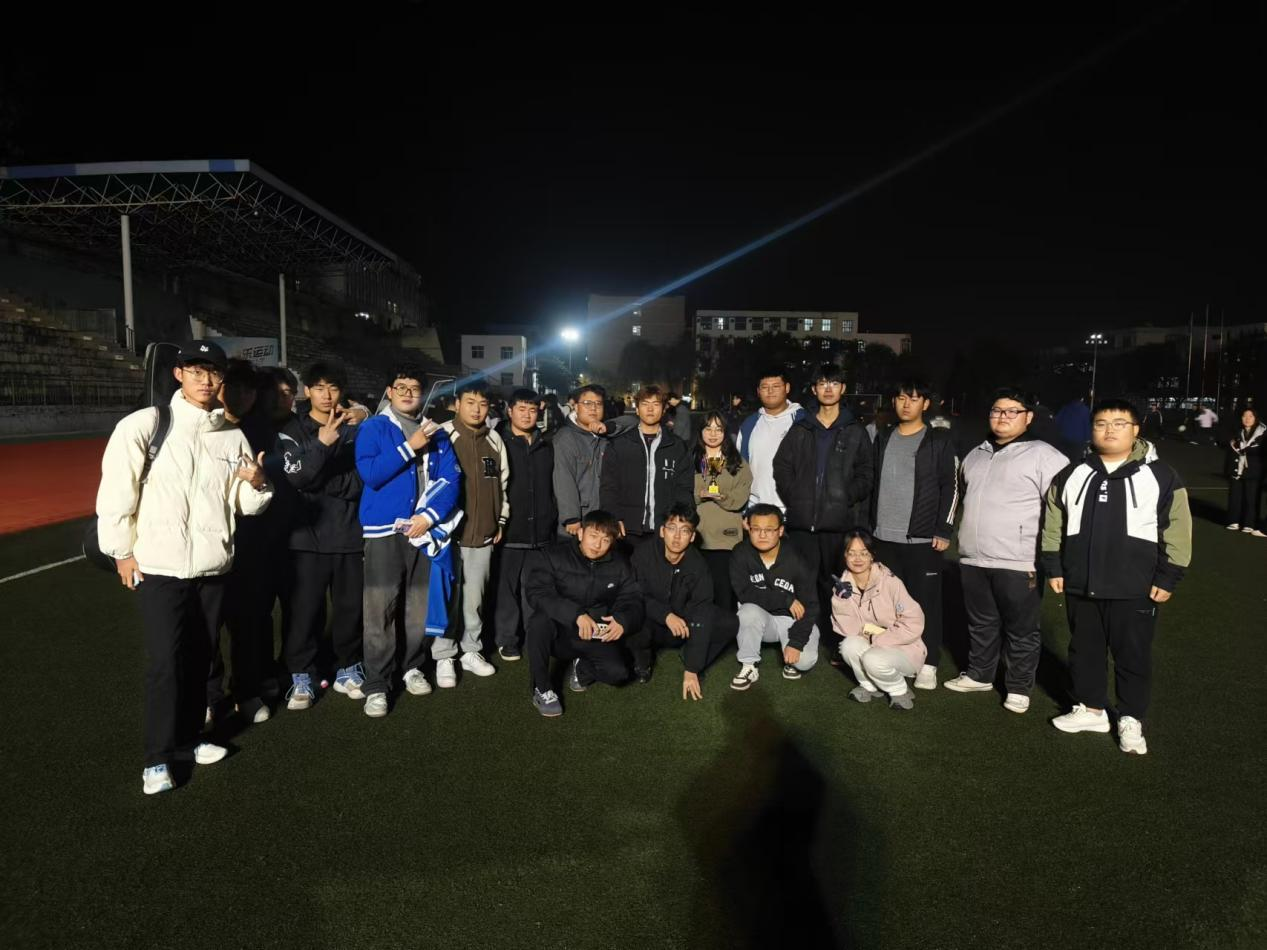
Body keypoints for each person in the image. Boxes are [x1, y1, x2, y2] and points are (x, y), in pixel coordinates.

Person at [95, 340, 273, 795]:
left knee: (201, 658)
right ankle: (157, 758)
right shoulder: (146, 424)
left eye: (213, 373)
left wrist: (258, 483)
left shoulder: (231, 436)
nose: (205, 381)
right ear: (178, 374)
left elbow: (244, 505)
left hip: (212, 567)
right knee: (165, 663)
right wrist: (121, 551)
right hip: (159, 566)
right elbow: (116, 493)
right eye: (196, 371)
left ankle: (190, 739)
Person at [1043, 399, 1192, 754]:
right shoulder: (1071, 473)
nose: (1109, 430)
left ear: (1136, 430)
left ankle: (1131, 717)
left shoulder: (1161, 475)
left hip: (1135, 586)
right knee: (1084, 650)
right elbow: (1053, 522)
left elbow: (1178, 529)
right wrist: (1054, 566)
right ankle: (1091, 709)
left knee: (1132, 655)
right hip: (1081, 583)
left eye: (1119, 423)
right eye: (1101, 423)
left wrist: (1168, 576)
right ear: (1091, 429)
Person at [944, 388, 1068, 714]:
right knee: (981, 622)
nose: (1003, 417)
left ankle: (1018, 687)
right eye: (997, 410)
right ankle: (980, 675)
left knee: (1021, 628)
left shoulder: (1045, 455)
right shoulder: (976, 454)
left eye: (1012, 411)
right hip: (973, 556)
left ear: (1028, 417)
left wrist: (1055, 554)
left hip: (1020, 559)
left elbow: (1063, 507)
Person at [355, 365, 463, 717]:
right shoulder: (373, 427)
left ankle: (412, 666)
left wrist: (427, 518)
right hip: (384, 532)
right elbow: (371, 474)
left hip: (423, 531)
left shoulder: (436, 431)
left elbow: (452, 479)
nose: (407, 393)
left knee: (418, 606)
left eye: (414, 388)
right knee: (380, 609)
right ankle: (377, 683)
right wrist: (408, 447)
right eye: (400, 387)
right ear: (389, 391)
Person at [276, 361, 366, 711]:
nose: (327, 395)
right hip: (306, 539)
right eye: (319, 388)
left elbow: (361, 481)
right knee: (304, 612)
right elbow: (296, 476)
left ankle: (347, 666)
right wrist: (323, 445)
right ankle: (302, 673)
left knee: (349, 609)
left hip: (348, 534)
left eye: (333, 388)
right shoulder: (292, 429)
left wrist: (320, 479)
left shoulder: (356, 429)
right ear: (307, 391)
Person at [773, 364, 874, 660]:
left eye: (834, 383)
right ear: (814, 389)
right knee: (802, 583)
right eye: (822, 383)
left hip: (838, 524)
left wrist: (843, 498)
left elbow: (866, 473)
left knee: (837, 585)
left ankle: (837, 642)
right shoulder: (802, 428)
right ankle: (802, 639)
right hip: (803, 524)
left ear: (843, 388)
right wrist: (796, 497)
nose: (828, 388)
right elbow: (782, 466)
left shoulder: (855, 430)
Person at [870, 379, 957, 690]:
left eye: (914, 398)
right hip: (884, 537)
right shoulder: (883, 436)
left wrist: (943, 529)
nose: (906, 404)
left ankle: (929, 662)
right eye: (901, 397)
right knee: (888, 604)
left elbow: (951, 486)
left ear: (926, 404)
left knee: (924, 604)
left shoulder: (937, 440)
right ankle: (897, 656)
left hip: (921, 539)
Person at [522, 510, 644, 717]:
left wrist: (623, 620)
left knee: (618, 674)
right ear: (580, 534)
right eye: (593, 536)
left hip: (594, 633)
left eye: (605, 540)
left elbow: (633, 599)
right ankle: (542, 688)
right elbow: (537, 592)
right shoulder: (554, 555)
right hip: (559, 632)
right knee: (538, 622)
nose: (598, 545)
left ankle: (581, 669)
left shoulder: (620, 565)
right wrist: (576, 614)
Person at [630, 504, 740, 698]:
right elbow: (634, 594)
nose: (677, 537)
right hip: (652, 621)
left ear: (692, 537)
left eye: (684, 531)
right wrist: (665, 615)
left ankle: (689, 653)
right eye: (672, 529)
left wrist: (692, 668)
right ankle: (643, 659)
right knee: (631, 616)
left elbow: (703, 609)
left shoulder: (698, 564)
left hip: (682, 627)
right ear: (662, 531)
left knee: (730, 622)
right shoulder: (643, 554)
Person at [439, 379, 508, 682]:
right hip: (447, 536)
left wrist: (499, 520)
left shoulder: (494, 439)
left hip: (483, 534)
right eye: (470, 402)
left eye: (482, 404)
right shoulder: (442, 434)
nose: (477, 409)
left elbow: (502, 485)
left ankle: (471, 650)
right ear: (457, 404)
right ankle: (443, 654)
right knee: (446, 598)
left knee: (474, 600)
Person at [494, 389, 557, 660]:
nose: (527, 415)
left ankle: (535, 635)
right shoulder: (498, 441)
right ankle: (507, 638)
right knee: (506, 589)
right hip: (510, 530)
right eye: (521, 409)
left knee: (534, 587)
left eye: (532, 410)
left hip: (541, 531)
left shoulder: (547, 444)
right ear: (509, 410)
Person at [832, 529, 926, 711]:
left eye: (863, 553)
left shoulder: (890, 582)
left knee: (873, 659)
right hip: (871, 645)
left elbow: (913, 622)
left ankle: (899, 690)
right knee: (848, 645)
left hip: (903, 648)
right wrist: (840, 602)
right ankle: (869, 685)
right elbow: (849, 631)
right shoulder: (843, 587)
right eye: (852, 553)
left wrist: (878, 640)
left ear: (872, 555)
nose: (858, 559)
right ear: (844, 555)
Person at [729, 503, 820, 689]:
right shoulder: (740, 553)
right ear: (748, 528)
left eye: (769, 530)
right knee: (747, 610)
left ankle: (791, 659)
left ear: (780, 531)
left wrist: (796, 642)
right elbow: (744, 593)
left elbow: (811, 605)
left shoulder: (797, 557)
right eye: (756, 529)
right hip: (763, 620)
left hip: (793, 620)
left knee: (804, 662)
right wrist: (784, 599)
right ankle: (749, 665)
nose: (762, 535)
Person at [600, 384, 695, 553]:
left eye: (656, 404)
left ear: (664, 409)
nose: (650, 409)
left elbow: (684, 488)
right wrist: (613, 517)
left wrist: (678, 524)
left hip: (664, 529)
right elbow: (609, 486)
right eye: (645, 404)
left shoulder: (677, 446)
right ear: (637, 409)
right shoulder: (619, 445)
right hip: (626, 529)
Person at [693, 411, 752, 611]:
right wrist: (700, 495)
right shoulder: (690, 459)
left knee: (724, 593)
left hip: (726, 539)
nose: (713, 434)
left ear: (726, 432)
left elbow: (741, 495)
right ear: (700, 431)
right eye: (708, 428)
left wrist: (722, 497)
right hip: (696, 536)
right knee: (700, 593)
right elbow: (680, 492)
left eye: (718, 429)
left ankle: (727, 628)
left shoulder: (737, 463)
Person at [735, 367, 805, 510]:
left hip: (792, 509)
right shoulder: (749, 425)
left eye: (776, 386)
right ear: (758, 391)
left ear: (787, 388)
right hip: (755, 508)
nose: (770, 391)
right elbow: (740, 467)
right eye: (765, 387)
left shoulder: (803, 421)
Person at [552, 382, 611, 538]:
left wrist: (610, 427)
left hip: (602, 519)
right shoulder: (565, 438)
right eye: (587, 403)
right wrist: (571, 517)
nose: (593, 408)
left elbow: (632, 422)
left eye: (598, 404)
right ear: (576, 407)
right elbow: (563, 478)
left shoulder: (604, 436)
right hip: (577, 522)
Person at [1227, 407, 1265, 536]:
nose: (1247, 419)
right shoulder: (1237, 432)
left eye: (1250, 416)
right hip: (1237, 468)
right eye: (1244, 416)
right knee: (1235, 496)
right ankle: (1233, 520)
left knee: (1251, 498)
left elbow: (1260, 450)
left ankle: (1250, 523)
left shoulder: (1262, 433)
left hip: (1254, 469)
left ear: (1256, 418)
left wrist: (1246, 449)